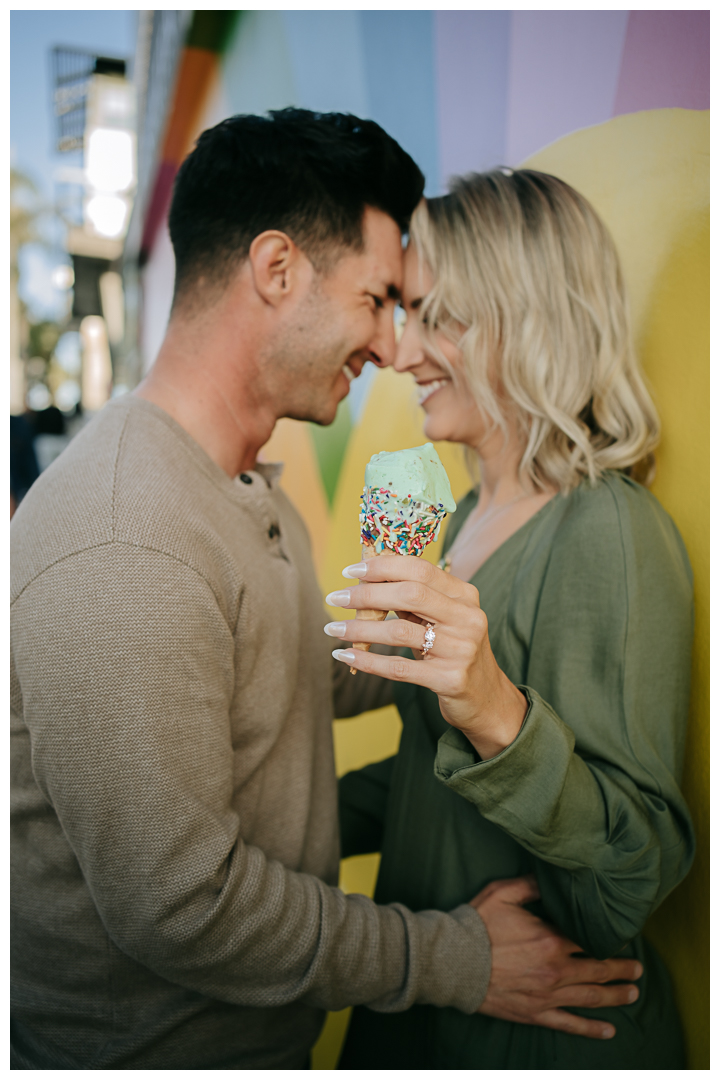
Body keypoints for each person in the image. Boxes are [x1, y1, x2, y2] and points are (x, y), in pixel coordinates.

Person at [11, 119, 642, 1071]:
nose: (396, 346)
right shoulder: (126, 538)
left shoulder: (241, 485)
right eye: (381, 299)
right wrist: (451, 959)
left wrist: (474, 640)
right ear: (276, 270)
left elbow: (287, 675)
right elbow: (183, 906)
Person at [326, 170, 695, 1069]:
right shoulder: (457, 518)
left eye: (434, 315)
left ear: (527, 314)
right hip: (430, 1008)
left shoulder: (609, 530)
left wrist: (495, 709)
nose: (402, 352)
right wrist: (262, 825)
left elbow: (625, 885)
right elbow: (428, 779)